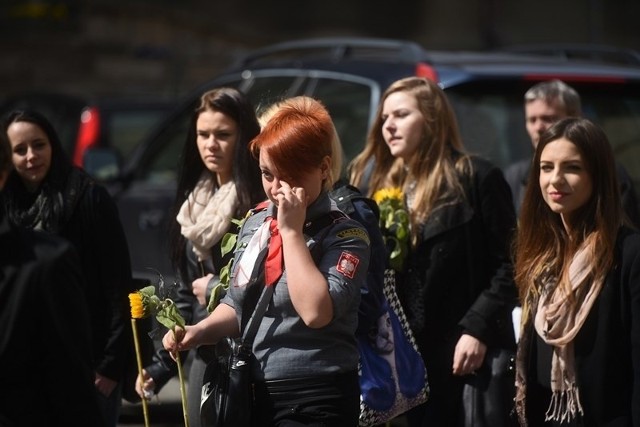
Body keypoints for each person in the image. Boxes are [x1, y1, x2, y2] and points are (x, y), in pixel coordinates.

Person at [162, 96, 370, 426]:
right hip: (252, 390)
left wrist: (291, 234)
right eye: (267, 174)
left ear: (324, 167)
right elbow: (239, 303)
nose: (277, 189)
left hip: (315, 397)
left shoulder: (346, 234)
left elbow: (316, 313)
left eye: (290, 175)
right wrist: (198, 331)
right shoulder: (256, 222)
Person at [349, 76, 518, 427]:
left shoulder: (476, 178)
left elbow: (511, 264)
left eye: (401, 114)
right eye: (384, 118)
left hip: (455, 355)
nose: (389, 126)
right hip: (397, 359)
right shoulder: (377, 185)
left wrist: (478, 328)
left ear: (432, 119)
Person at [134, 87, 264, 426]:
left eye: (223, 135)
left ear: (244, 136)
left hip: (250, 356)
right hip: (203, 354)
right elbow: (183, 291)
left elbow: (267, 284)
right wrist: (161, 365)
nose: (211, 144)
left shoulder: (260, 201)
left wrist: (216, 290)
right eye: (203, 134)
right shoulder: (195, 203)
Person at [1, 109, 134, 427]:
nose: (31, 156)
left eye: (39, 145)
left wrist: (109, 369)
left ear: (53, 146)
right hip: (27, 382)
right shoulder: (8, 208)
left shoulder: (88, 198)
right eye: (20, 150)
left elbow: (117, 286)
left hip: (92, 369)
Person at [513, 117, 640, 426]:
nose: (555, 179)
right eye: (546, 168)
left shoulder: (628, 253)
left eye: (572, 168)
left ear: (597, 175)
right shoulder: (541, 255)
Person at [504, 79, 640, 225]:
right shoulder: (514, 176)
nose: (538, 127)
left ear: (575, 117)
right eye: (532, 120)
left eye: (548, 118)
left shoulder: (611, 172)